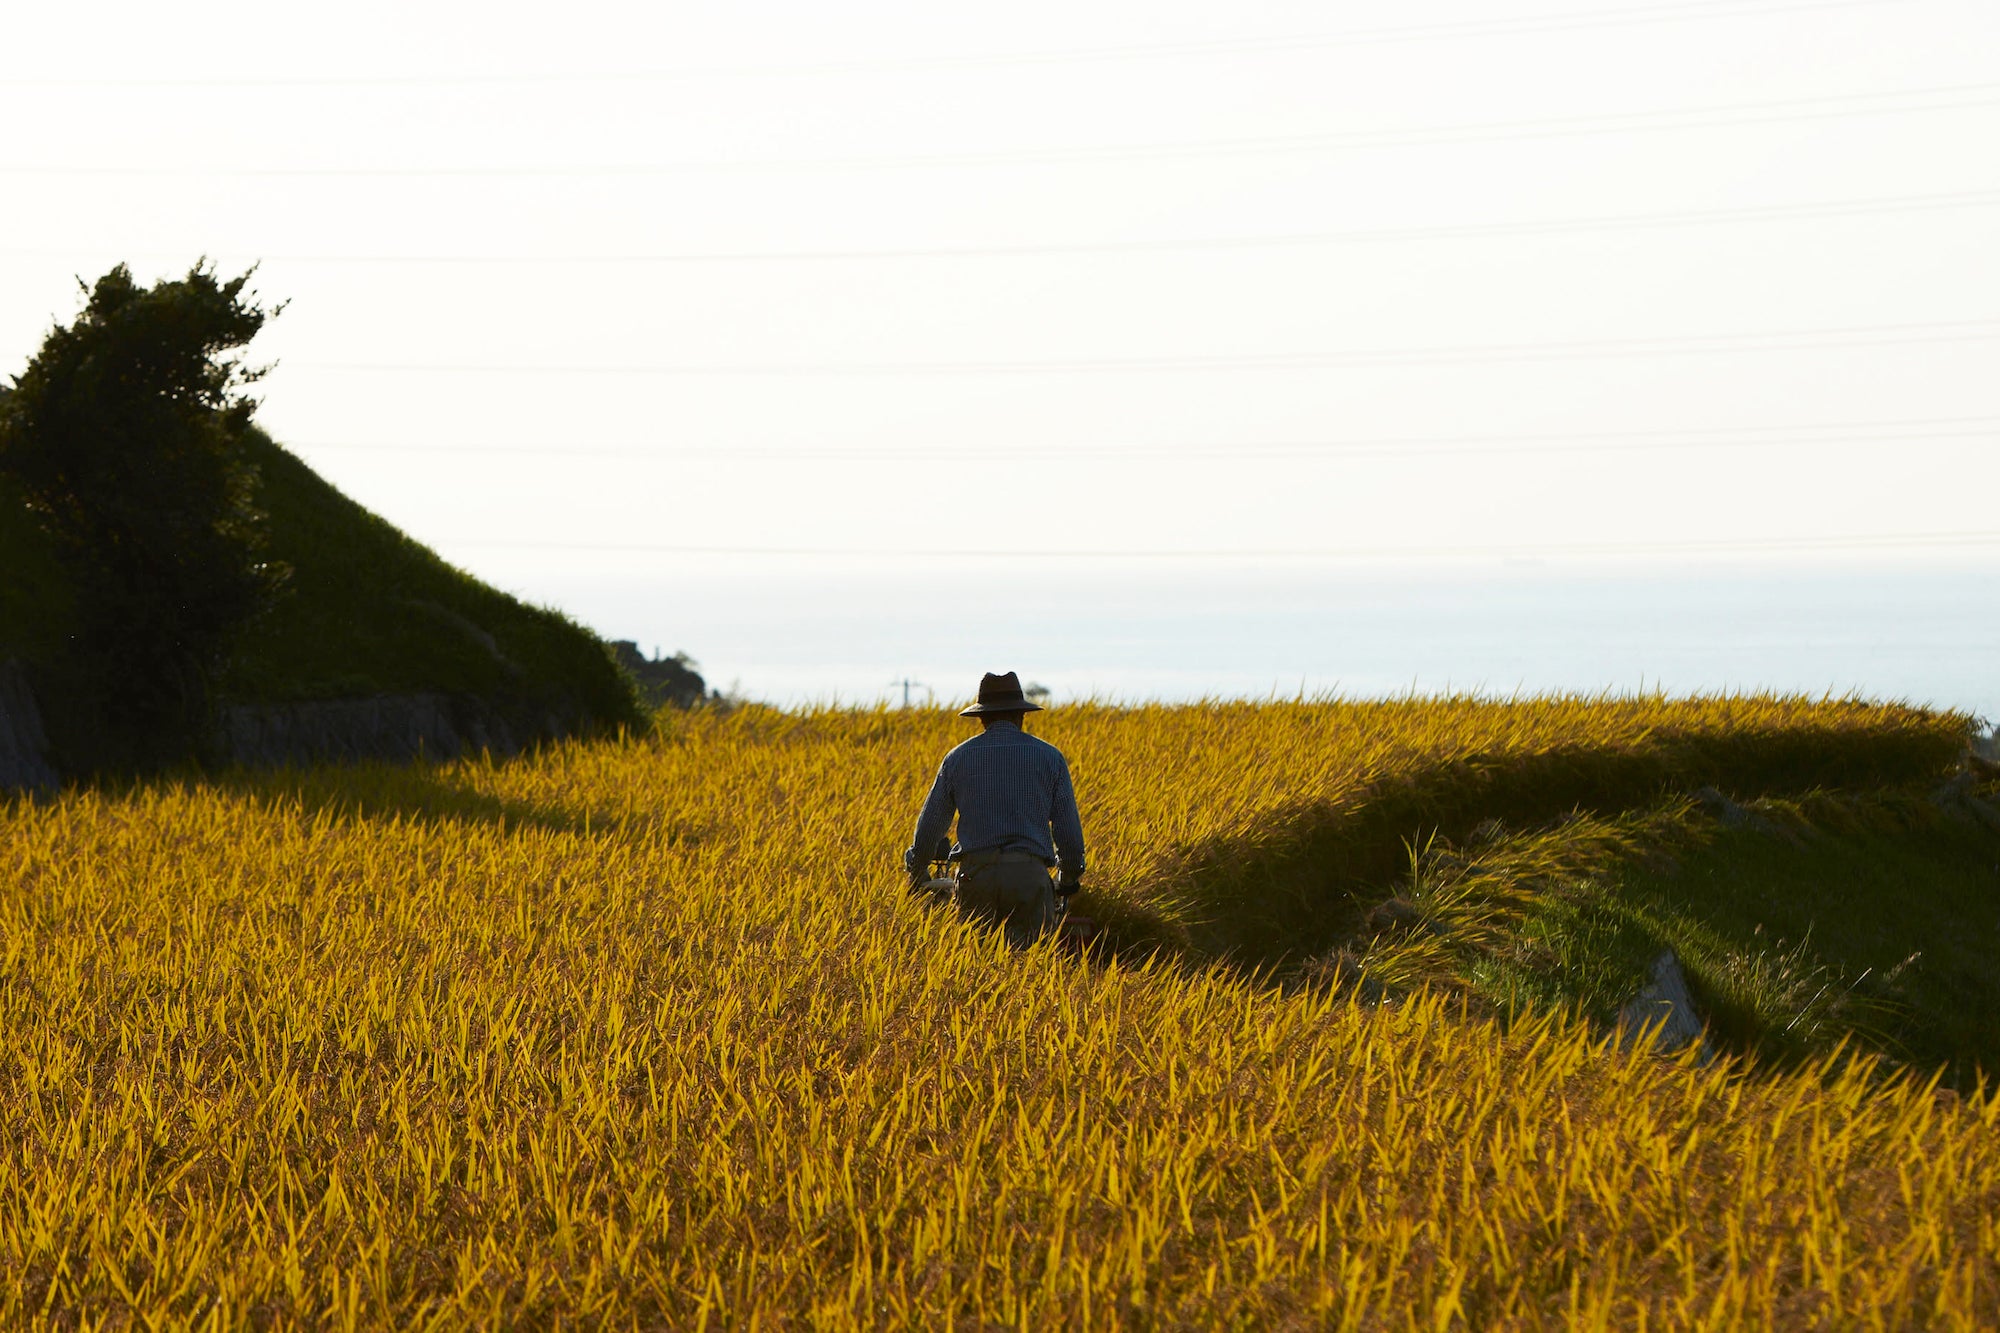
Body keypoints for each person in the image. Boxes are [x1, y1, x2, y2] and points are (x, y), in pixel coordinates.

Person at [905, 671, 1086, 947]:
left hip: (976, 878)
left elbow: (930, 827)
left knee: (977, 966)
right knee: (1030, 971)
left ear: (981, 718)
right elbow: (1069, 835)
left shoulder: (957, 758)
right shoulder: (1051, 758)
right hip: (1029, 878)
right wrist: (1069, 876)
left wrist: (918, 871)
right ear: (1021, 716)